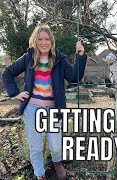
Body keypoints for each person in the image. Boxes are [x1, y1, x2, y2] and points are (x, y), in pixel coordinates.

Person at [1, 25, 87, 180]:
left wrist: (80, 56)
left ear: (51, 41)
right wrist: (15, 93)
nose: (43, 42)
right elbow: (7, 73)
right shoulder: (28, 58)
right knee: (36, 146)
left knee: (56, 144)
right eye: (40, 39)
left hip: (52, 109)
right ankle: (40, 174)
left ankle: (57, 163)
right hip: (32, 108)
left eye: (47, 39)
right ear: (35, 41)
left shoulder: (59, 59)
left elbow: (74, 77)